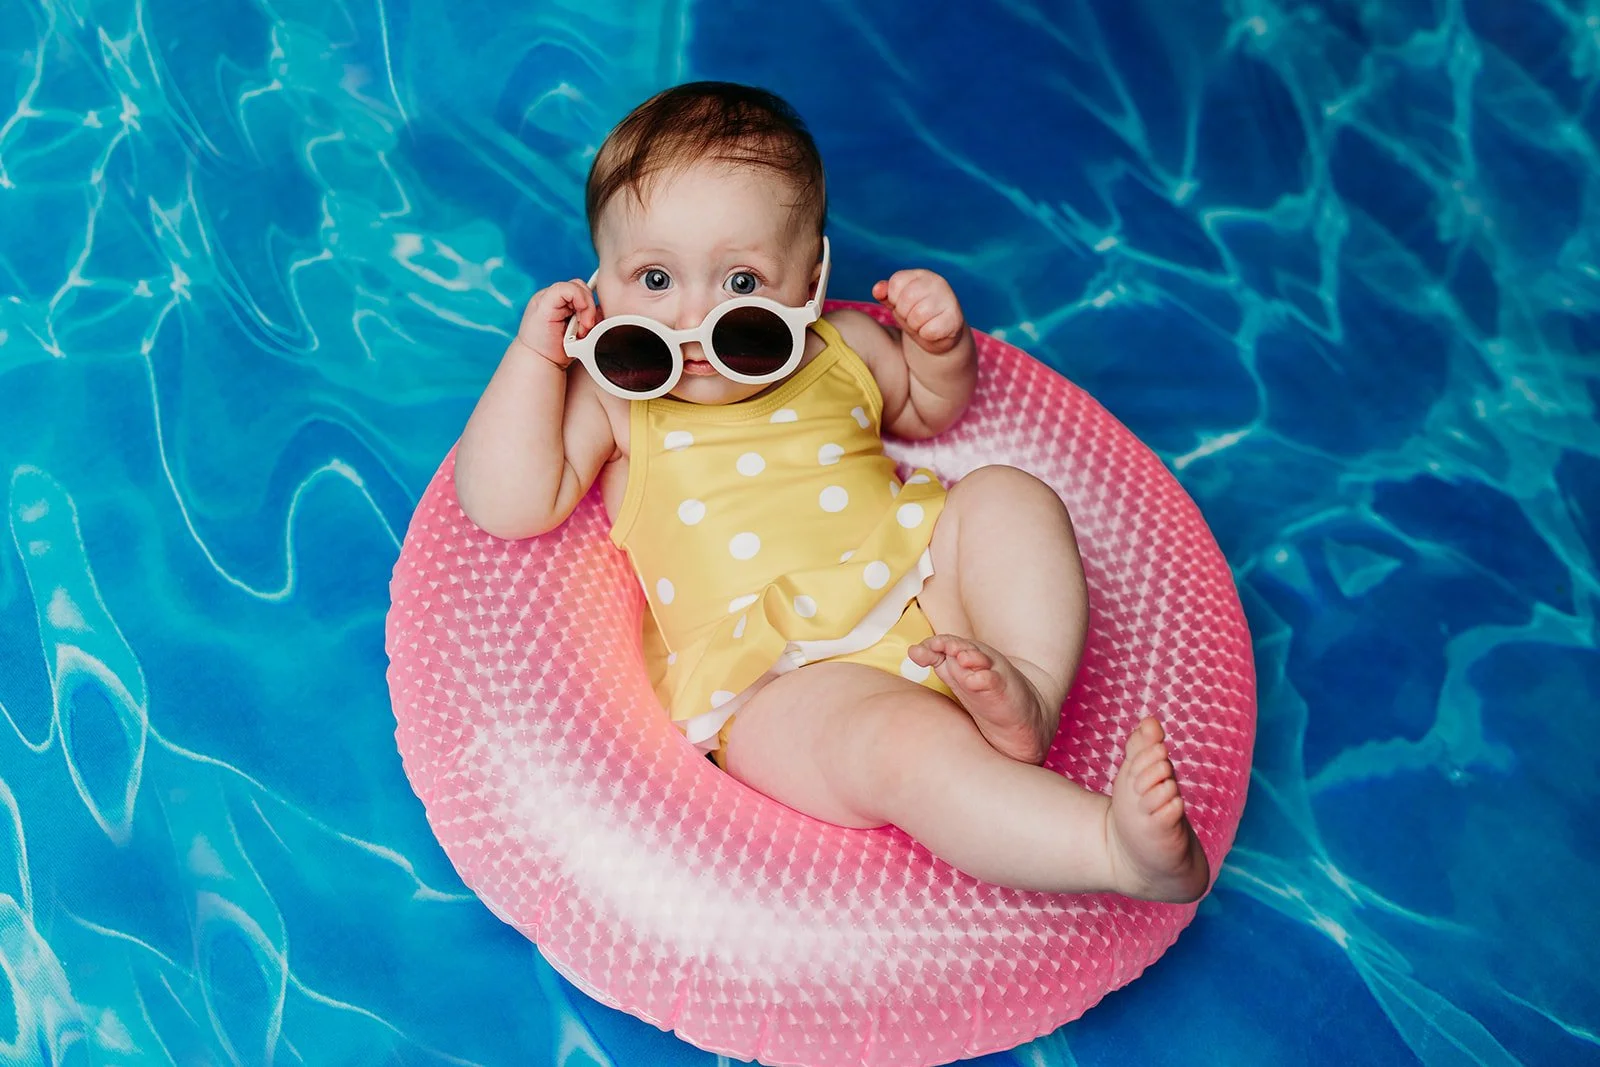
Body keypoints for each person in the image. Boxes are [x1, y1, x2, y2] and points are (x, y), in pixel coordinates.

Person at [454, 82, 1208, 902]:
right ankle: (1107, 847)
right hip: (783, 679)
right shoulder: (619, 402)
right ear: (601, 282)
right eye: (655, 279)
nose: (695, 316)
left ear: (810, 278)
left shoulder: (840, 347)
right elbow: (508, 500)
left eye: (741, 282)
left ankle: (1026, 689)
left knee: (1008, 495)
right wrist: (535, 359)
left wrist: (937, 346)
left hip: (927, 585)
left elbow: (926, 410)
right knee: (900, 749)